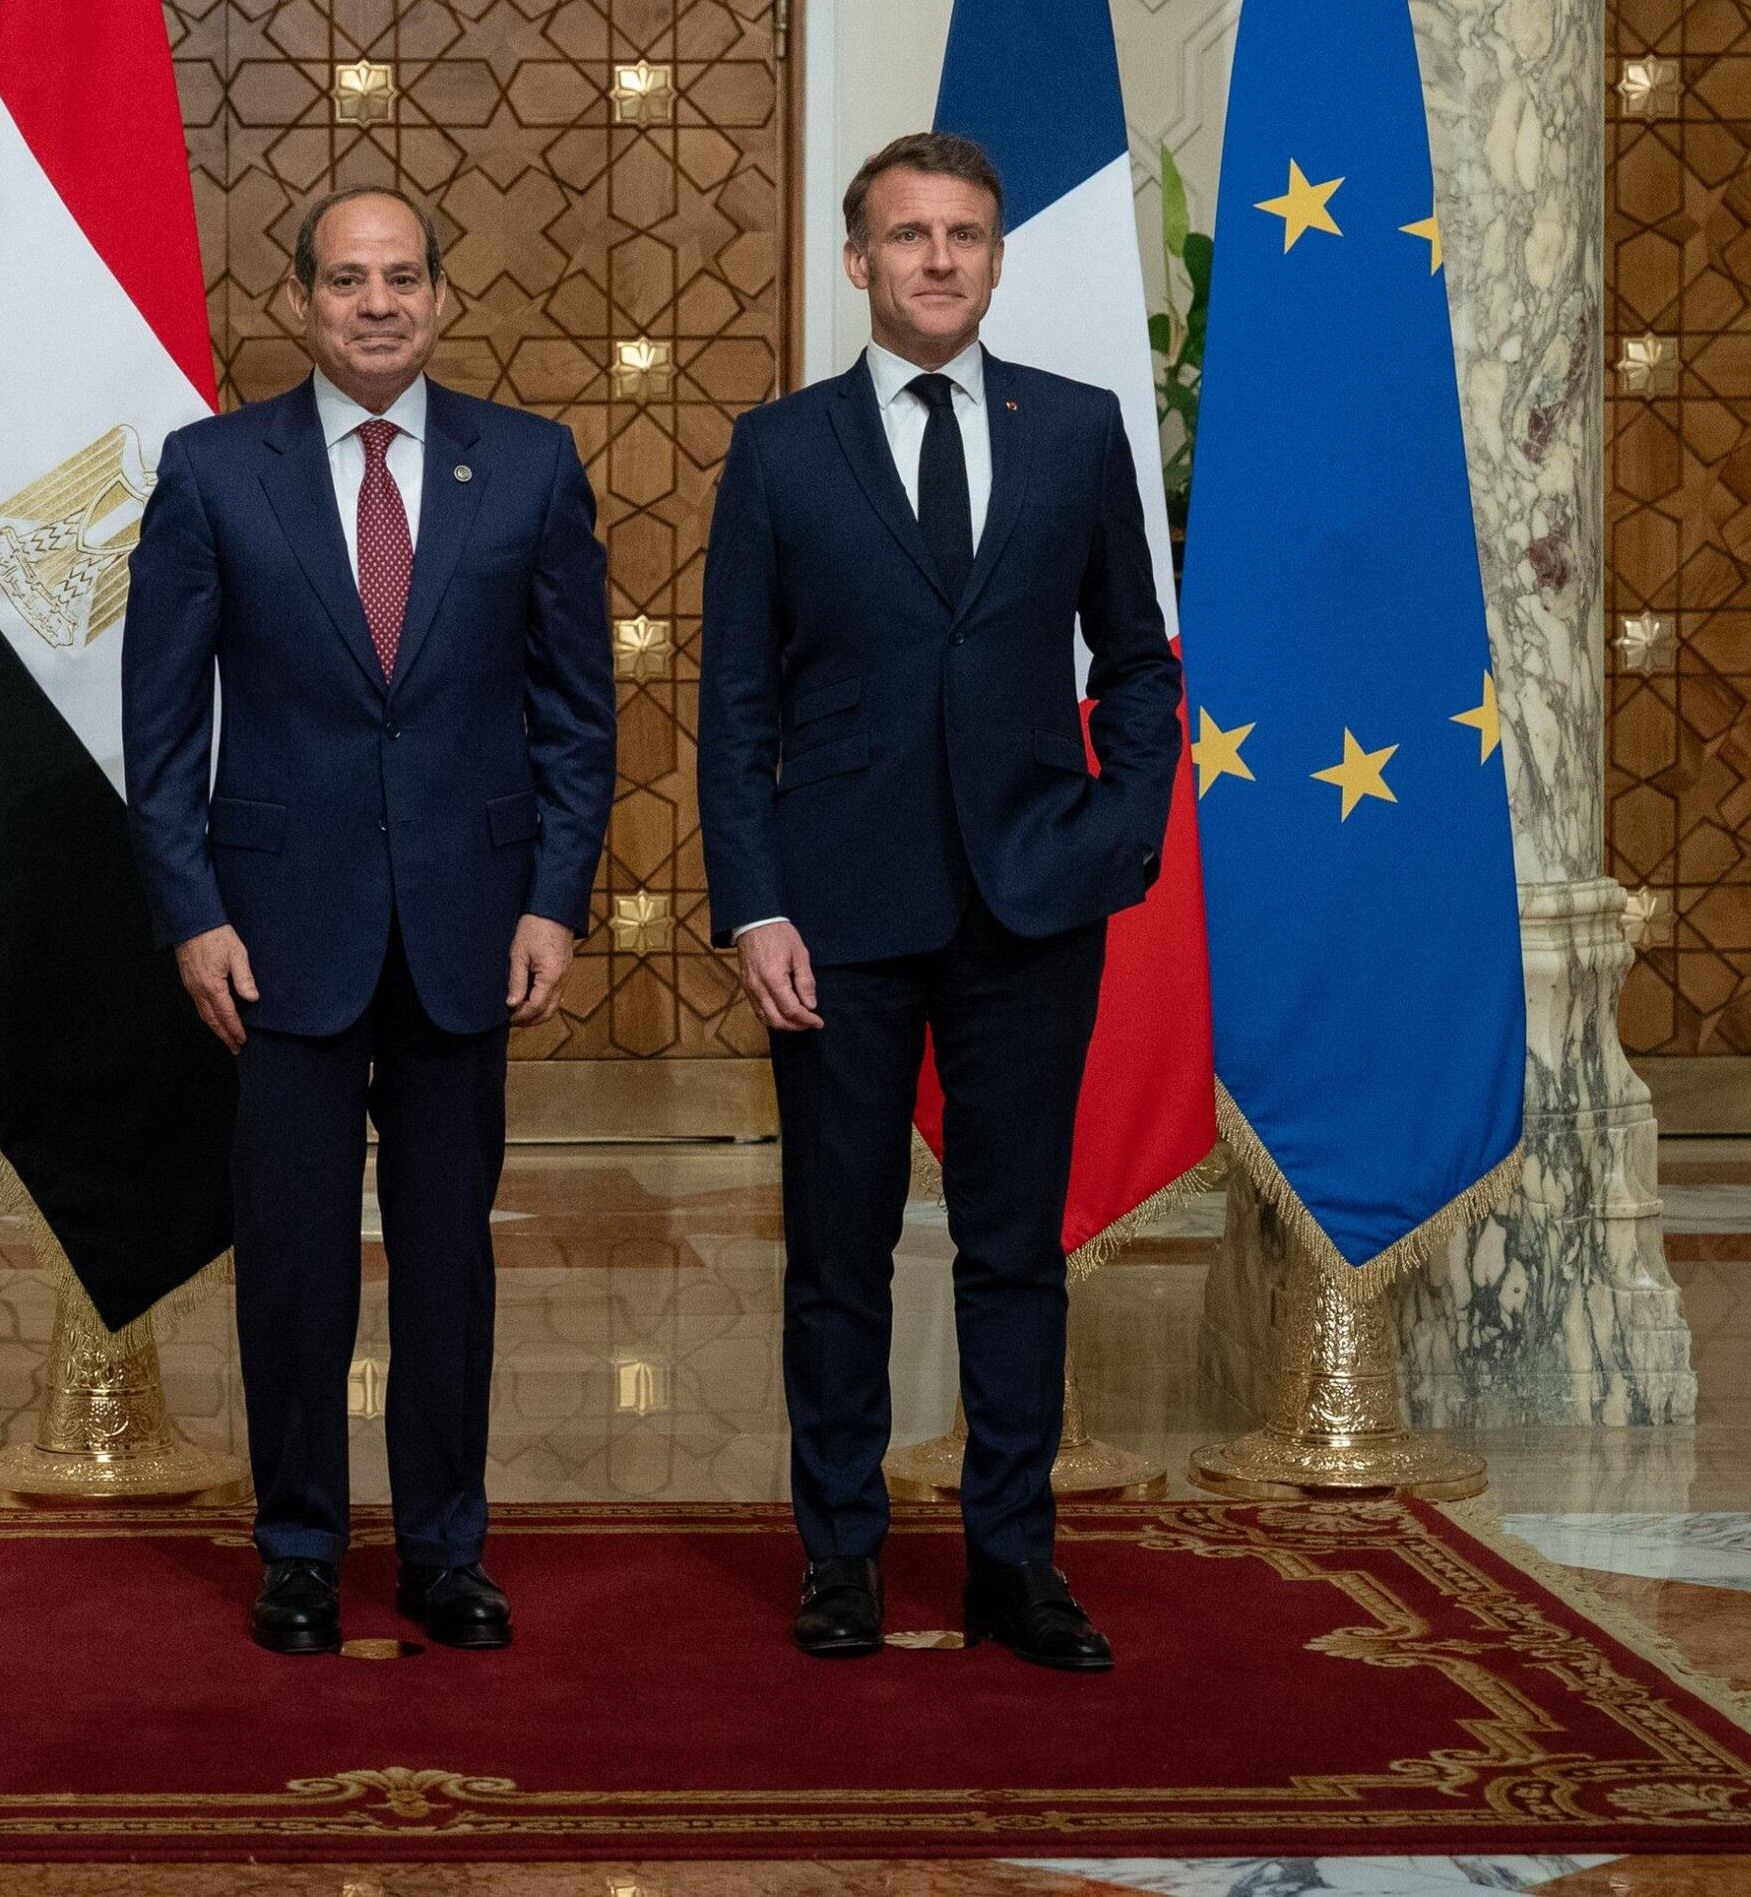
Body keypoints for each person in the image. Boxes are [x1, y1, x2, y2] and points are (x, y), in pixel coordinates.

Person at [697, 131, 1177, 1672]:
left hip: (1034, 903)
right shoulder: (780, 450)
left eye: (965, 232)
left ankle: (1014, 1561)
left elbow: (1140, 662)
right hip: (833, 917)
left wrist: (1120, 833)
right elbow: (734, 706)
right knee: (836, 1253)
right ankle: (839, 1554)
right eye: (910, 234)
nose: (940, 257)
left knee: (1013, 1249)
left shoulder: (1077, 430)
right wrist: (754, 905)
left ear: (995, 256)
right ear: (859, 261)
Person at [122, 187, 613, 1656]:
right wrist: (192, 913)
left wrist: (555, 899)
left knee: (448, 1260)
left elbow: (577, 715)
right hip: (275, 937)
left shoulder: (529, 464)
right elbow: (159, 729)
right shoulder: (214, 469)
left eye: (403, 277)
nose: (378, 304)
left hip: (474, 929)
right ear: (299, 302)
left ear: (442, 296)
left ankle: (446, 1548)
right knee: (292, 1263)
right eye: (347, 280)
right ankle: (298, 1549)